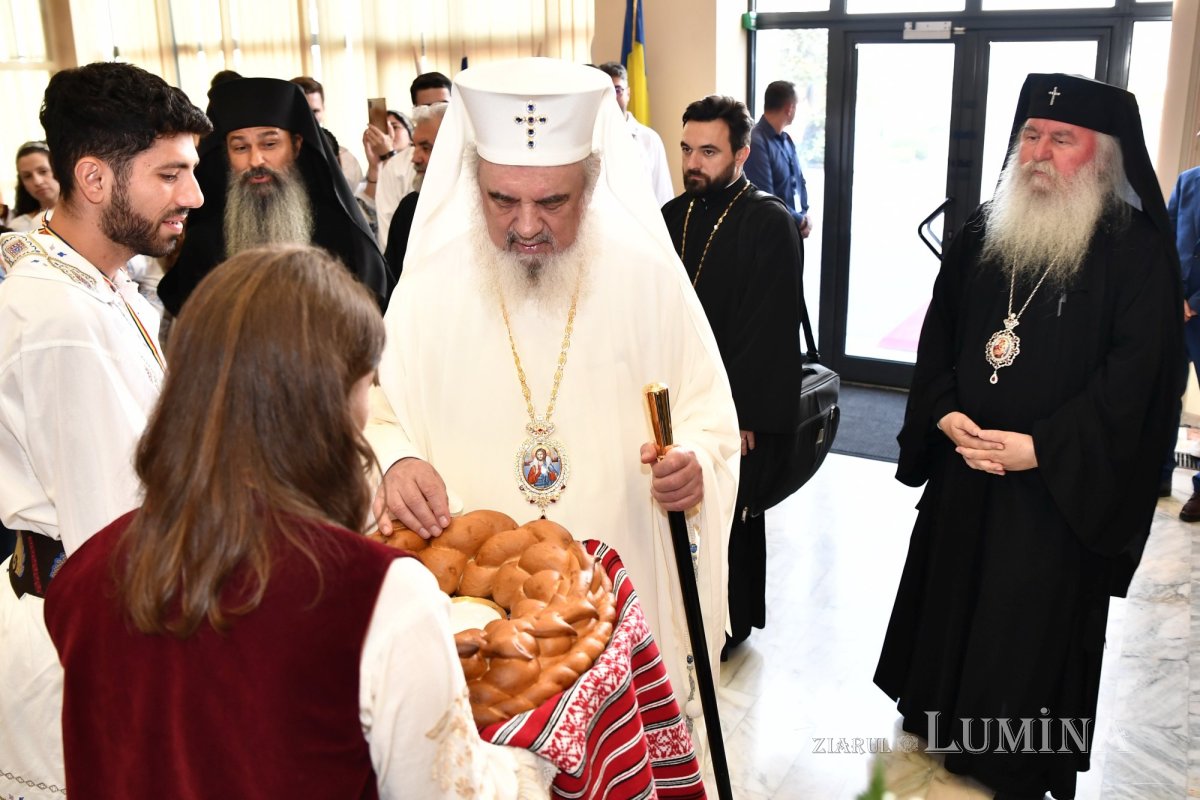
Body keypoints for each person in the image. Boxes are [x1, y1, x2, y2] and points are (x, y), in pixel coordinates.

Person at [43, 245, 555, 798]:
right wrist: (533, 766)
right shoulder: (377, 592)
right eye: (366, 386)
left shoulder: (86, 572)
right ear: (324, 406)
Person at [366, 57, 739, 747]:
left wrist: (694, 464)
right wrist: (396, 460)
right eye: (501, 200)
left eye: (553, 203)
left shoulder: (650, 281)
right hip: (478, 615)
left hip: (620, 571)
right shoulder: (426, 290)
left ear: (592, 184)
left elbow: (708, 415)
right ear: (472, 180)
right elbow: (379, 410)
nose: (525, 225)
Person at [874, 73, 1182, 799]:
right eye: (1031, 136)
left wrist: (1042, 446)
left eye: (1061, 139)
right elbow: (940, 333)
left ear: (1102, 156)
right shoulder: (985, 227)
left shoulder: (1136, 252)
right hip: (965, 467)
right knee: (952, 599)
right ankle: (940, 719)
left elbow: (1136, 378)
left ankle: (1011, 757)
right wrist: (945, 409)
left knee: (1026, 623)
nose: (1039, 152)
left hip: (1056, 491)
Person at [0, 61, 210, 800]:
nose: (194, 195)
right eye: (170, 174)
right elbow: (113, 535)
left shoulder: (103, 281)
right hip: (84, 638)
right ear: (94, 179)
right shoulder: (62, 321)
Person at [661, 95, 806, 656]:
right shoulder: (674, 215)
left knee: (729, 512)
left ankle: (730, 620)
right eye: (687, 149)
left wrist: (743, 414)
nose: (694, 163)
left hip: (731, 404)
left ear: (742, 153)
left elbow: (769, 328)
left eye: (709, 151)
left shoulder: (768, 222)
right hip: (674, 394)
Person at [158, 77, 390, 315]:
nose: (255, 160)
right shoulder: (206, 239)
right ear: (226, 154)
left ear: (297, 145)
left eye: (269, 144)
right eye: (240, 147)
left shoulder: (339, 232)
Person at [374, 72, 454, 249]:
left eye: (442, 106)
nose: (415, 158)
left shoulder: (478, 199)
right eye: (426, 107)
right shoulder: (408, 208)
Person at [383, 100, 447, 279]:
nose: (415, 158)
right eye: (415, 146)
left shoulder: (485, 209)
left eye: (426, 148)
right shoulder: (409, 208)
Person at [1168, 166, 1200, 521]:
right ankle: (1157, 476)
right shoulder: (1188, 181)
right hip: (1174, 315)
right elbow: (1164, 237)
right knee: (1162, 395)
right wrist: (1174, 295)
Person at [596, 62, 673, 206]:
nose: (612, 97)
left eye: (618, 90)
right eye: (607, 91)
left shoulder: (649, 139)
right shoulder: (593, 139)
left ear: (628, 93)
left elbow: (663, 194)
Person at [743, 80, 811, 238]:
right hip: (772, 233)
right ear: (789, 108)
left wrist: (805, 213)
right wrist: (800, 220)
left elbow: (799, 181)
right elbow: (765, 195)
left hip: (792, 229)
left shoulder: (786, 140)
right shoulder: (756, 141)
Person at [292, 74, 365, 186]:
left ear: (323, 110)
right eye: (303, 112)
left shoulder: (346, 160)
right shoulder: (272, 159)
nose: (310, 119)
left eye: (315, 111)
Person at [9, 140, 60, 232]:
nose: (37, 182)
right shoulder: (18, 226)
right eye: (27, 176)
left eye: (43, 171)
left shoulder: (86, 215)